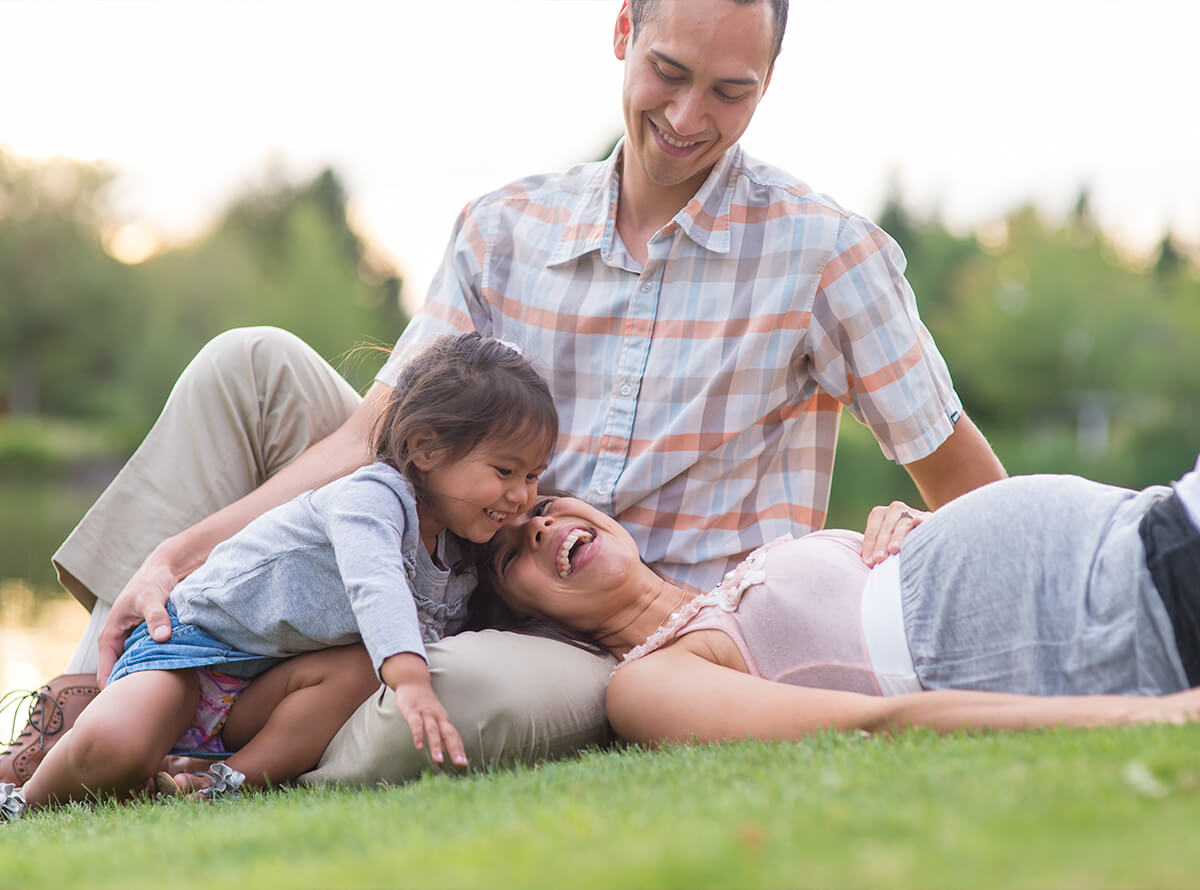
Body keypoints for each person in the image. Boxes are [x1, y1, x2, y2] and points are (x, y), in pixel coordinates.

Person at [2, 0, 1006, 788]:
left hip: (623, 641)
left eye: (730, 92)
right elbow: (376, 435)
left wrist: (908, 537)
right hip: (439, 544)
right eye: (667, 72)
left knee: (469, 687)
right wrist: (176, 553)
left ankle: (211, 767)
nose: (689, 117)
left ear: (769, 84)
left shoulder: (828, 254)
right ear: (623, 31)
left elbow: (969, 485)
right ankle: (83, 707)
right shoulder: (504, 227)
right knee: (247, 363)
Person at [0, 333, 556, 820]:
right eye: (504, 471)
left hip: (270, 681)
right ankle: (23, 801)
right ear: (425, 448)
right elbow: (374, 581)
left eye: (532, 475)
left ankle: (218, 782)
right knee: (114, 751)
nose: (522, 495)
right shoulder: (373, 496)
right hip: (193, 651)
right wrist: (410, 681)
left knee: (360, 670)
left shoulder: (459, 550)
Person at [478, 455, 1200, 744]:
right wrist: (1148, 714)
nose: (540, 526)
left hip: (1142, 523)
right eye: (512, 553)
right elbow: (876, 719)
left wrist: (915, 528)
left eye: (543, 505)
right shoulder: (648, 680)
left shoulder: (737, 574)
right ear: (530, 621)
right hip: (1128, 610)